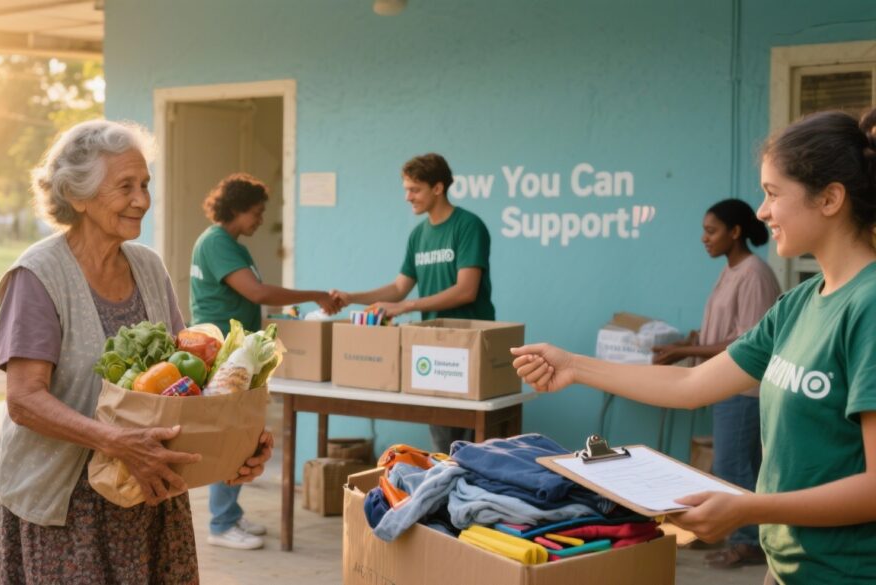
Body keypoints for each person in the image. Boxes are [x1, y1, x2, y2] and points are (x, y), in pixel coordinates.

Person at [512, 109, 876, 585]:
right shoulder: (799, 304)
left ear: (829, 198)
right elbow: (691, 382)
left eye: (772, 194)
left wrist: (748, 508)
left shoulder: (867, 306)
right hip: (787, 569)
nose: (762, 212)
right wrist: (575, 366)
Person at [0, 120, 273, 583]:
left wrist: (235, 442)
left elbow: (192, 378)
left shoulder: (147, 265)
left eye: (144, 184)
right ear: (78, 196)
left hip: (148, 495)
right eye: (125, 186)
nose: (142, 199)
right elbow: (24, 400)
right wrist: (115, 441)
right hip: (65, 507)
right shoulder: (38, 275)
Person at [190, 172, 340, 550]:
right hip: (225, 352)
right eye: (256, 212)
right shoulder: (218, 242)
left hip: (237, 351)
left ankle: (230, 514)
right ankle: (221, 524)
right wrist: (316, 294)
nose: (259, 220)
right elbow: (255, 291)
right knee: (228, 435)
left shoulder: (229, 243)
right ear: (237, 210)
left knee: (239, 432)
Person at [332, 153, 495, 454]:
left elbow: (466, 290)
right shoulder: (418, 235)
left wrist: (406, 307)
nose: (408, 197)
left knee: (472, 446)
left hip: (471, 343)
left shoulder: (469, 226)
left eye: (415, 189)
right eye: (406, 189)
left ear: (438, 188)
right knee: (442, 443)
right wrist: (352, 298)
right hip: (434, 344)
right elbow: (398, 287)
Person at [652, 198, 781, 568]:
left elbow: (748, 342)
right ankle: (749, 537)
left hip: (743, 389)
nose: (704, 239)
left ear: (735, 232)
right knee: (743, 467)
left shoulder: (754, 272)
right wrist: (684, 343)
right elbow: (723, 329)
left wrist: (686, 351)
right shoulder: (732, 269)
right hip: (724, 386)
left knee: (733, 468)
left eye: (712, 231)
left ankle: (747, 543)